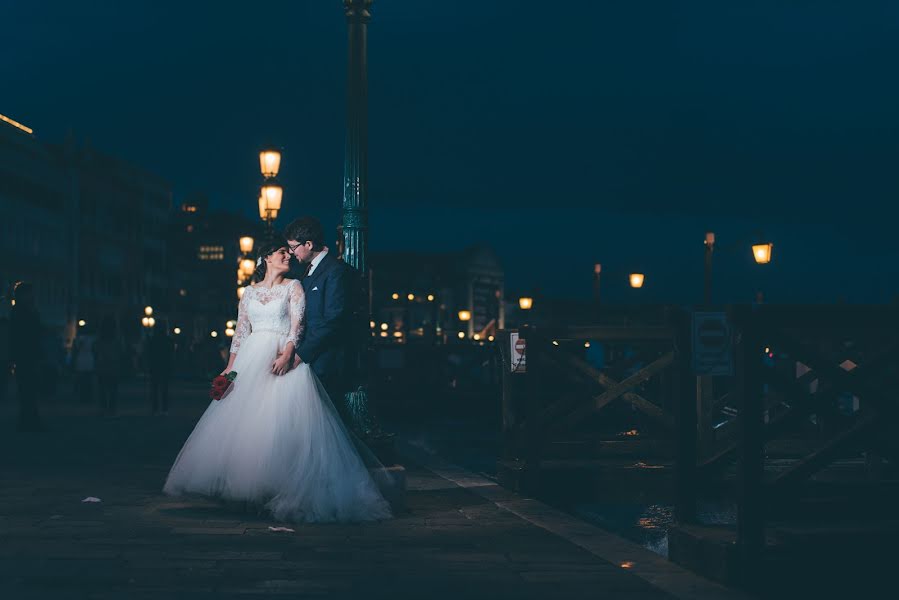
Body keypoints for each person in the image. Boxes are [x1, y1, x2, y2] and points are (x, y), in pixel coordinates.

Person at [163, 239, 391, 523]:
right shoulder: (248, 293)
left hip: (281, 356)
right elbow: (240, 332)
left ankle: (276, 489)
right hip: (251, 358)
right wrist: (230, 369)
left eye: (289, 252)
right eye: (282, 253)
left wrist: (287, 355)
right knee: (246, 424)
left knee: (281, 422)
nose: (288, 256)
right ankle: (245, 490)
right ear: (266, 258)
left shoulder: (293, 286)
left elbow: (298, 326)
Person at [284, 216, 359, 419]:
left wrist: (301, 355)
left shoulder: (336, 271)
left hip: (325, 362)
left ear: (309, 244)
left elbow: (333, 319)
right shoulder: (305, 271)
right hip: (308, 361)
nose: (291, 253)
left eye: (293, 247)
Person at [8, 282, 45, 431]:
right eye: (30, 293)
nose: (33, 296)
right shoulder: (20, 311)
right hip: (25, 355)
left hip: (27, 355)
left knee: (29, 389)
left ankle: (29, 420)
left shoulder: (24, 310)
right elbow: (19, 336)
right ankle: (28, 421)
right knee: (27, 389)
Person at [94, 316, 122, 416]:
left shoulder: (100, 339)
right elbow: (120, 351)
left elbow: (96, 350)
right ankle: (111, 408)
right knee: (113, 388)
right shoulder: (116, 339)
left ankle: (104, 407)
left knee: (102, 388)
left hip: (102, 365)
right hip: (114, 365)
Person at [146, 326, 174, 415]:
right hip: (164, 365)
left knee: (155, 388)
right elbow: (171, 354)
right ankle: (164, 408)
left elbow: (148, 353)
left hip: (155, 365)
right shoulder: (168, 340)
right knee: (164, 388)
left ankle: (155, 408)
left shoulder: (152, 339)